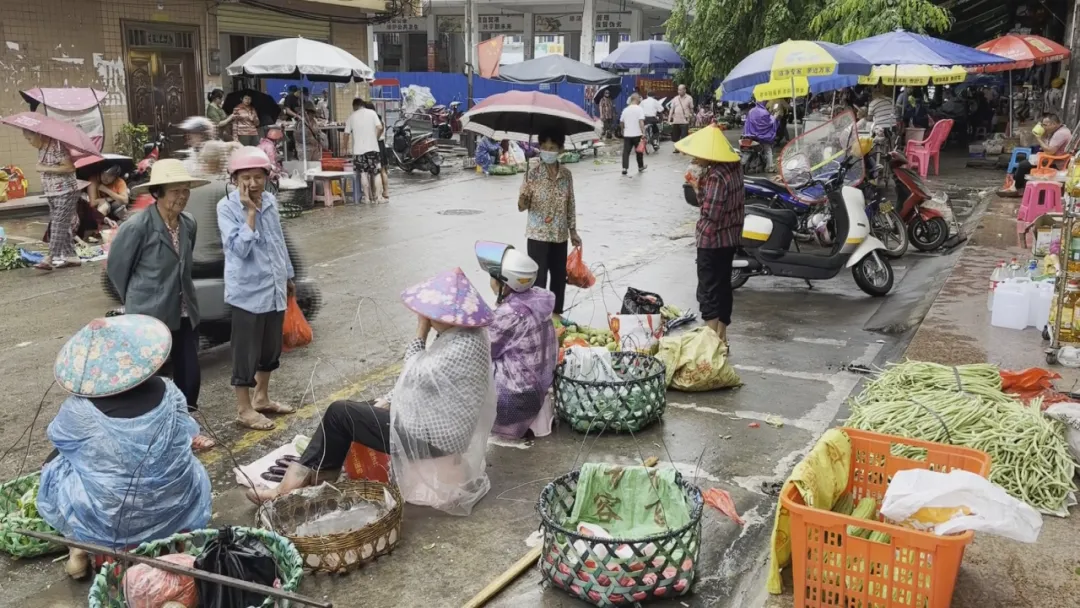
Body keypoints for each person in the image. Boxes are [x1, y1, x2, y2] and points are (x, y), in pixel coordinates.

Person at [246, 268, 497, 516]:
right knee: (358, 409)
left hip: (432, 438)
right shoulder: (461, 336)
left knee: (340, 412)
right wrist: (387, 400)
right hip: (430, 424)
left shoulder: (462, 345)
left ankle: (293, 485)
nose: (427, 317)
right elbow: (417, 384)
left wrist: (420, 333)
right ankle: (317, 475)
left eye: (431, 313)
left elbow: (414, 372)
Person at [38, 315, 211, 578]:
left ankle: (79, 549)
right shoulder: (169, 390)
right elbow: (186, 432)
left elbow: (61, 443)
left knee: (54, 468)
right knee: (188, 462)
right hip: (176, 504)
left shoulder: (78, 411)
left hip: (113, 520)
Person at [106, 159, 215, 450]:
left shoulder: (188, 223)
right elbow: (117, 269)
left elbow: (184, 264)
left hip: (184, 309)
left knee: (190, 373)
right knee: (149, 379)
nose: (181, 196)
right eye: (174, 191)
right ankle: (150, 432)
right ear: (158, 193)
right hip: (149, 315)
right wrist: (138, 300)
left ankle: (188, 429)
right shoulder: (138, 226)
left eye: (185, 191)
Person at [217, 147, 297, 430]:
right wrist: (250, 213)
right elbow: (238, 249)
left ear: (267, 176)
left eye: (258, 177)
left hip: (274, 287)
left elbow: (278, 241)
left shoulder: (272, 202)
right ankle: (244, 408)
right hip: (248, 293)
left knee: (269, 349)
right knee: (245, 352)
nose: (252, 184)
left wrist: (287, 275)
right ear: (235, 179)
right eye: (245, 177)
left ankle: (262, 398)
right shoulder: (226, 208)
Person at [477, 241, 558, 439]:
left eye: (492, 278)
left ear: (504, 284)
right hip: (538, 385)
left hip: (516, 398)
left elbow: (485, 349)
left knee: (473, 367)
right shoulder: (539, 299)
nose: (491, 282)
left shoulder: (509, 313)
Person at [676, 124, 745, 345]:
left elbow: (711, 213)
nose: (696, 159)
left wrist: (698, 188)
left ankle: (710, 342)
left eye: (698, 156)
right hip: (731, 238)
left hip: (712, 240)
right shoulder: (734, 167)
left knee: (708, 290)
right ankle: (722, 338)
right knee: (723, 287)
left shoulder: (716, 177)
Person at [518, 129, 581, 319]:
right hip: (538, 234)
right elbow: (521, 207)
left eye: (552, 148)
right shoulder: (533, 173)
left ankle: (556, 313)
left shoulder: (566, 175)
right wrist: (524, 195)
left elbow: (570, 204)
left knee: (558, 276)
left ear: (560, 149)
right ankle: (539, 316)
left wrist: (573, 232)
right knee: (539, 278)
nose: (547, 151)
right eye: (544, 147)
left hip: (559, 234)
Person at [24, 130, 80, 270]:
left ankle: (50, 257)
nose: (29, 143)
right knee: (62, 224)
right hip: (51, 192)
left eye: (30, 138)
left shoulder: (56, 146)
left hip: (65, 190)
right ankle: (71, 256)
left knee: (58, 222)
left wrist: (45, 168)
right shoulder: (41, 149)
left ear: (39, 135)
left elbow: (69, 167)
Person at [1000, 113, 1073, 197]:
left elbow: (1050, 151)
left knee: (1023, 165)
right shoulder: (1057, 130)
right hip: (1051, 159)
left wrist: (1038, 138)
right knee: (1025, 163)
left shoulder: (1061, 133)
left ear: (1053, 124)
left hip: (1055, 162)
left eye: (1045, 125)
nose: (1043, 127)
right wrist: (1044, 136)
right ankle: (1019, 187)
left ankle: (1017, 188)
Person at [343, 97, 384, 202]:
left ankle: (367, 198)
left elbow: (346, 134)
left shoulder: (351, 116)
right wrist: (376, 138)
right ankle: (379, 197)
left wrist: (344, 147)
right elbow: (380, 127)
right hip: (373, 148)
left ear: (354, 106)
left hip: (358, 150)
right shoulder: (372, 113)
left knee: (363, 173)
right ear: (363, 104)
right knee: (376, 172)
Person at [744, 100, 778, 170]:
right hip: (764, 137)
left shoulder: (751, 111)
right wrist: (774, 117)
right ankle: (770, 166)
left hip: (751, 135)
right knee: (768, 150)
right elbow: (769, 122)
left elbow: (747, 123)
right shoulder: (765, 112)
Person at [620, 93, 647, 176]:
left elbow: (621, 121)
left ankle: (624, 168)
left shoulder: (625, 110)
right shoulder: (639, 109)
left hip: (627, 134)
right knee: (639, 151)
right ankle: (640, 167)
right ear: (636, 99)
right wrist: (643, 132)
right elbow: (641, 122)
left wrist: (622, 130)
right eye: (639, 98)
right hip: (637, 134)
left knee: (626, 152)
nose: (639, 100)